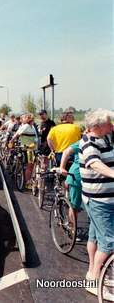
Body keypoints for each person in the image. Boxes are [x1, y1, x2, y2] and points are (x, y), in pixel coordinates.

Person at [78, 109, 114, 298]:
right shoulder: (89, 143)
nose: (112, 126)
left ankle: (92, 273)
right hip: (100, 201)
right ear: (98, 126)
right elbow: (94, 163)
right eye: (109, 123)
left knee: (94, 238)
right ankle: (96, 280)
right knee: (109, 243)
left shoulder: (104, 139)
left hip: (100, 199)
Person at [11, 113, 38, 188]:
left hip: (32, 148)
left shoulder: (32, 127)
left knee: (31, 165)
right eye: (32, 119)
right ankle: (27, 182)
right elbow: (17, 134)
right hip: (26, 148)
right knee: (29, 166)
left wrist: (35, 143)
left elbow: (35, 138)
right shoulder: (26, 126)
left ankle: (28, 180)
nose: (33, 120)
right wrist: (11, 141)